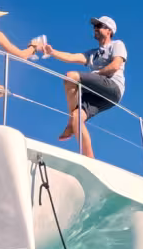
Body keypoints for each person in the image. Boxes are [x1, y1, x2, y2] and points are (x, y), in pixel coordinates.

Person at [41, 16, 127, 159]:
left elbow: (115, 66)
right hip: (99, 93)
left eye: (99, 25)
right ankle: (90, 159)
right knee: (77, 117)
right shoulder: (92, 54)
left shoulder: (117, 44)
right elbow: (71, 57)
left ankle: (69, 125)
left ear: (109, 31)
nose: (95, 28)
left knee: (71, 76)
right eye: (95, 26)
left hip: (113, 87)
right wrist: (51, 52)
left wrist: (96, 73)